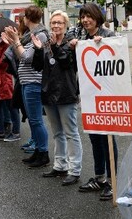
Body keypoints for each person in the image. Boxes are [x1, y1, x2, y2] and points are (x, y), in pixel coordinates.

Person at [71, 3, 117, 201]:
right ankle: (99, 177)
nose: (85, 20)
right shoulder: (81, 38)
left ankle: (112, 180)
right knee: (94, 136)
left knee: (108, 137)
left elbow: (117, 61)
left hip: (107, 94)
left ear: (97, 17)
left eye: (89, 16)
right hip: (88, 94)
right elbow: (77, 66)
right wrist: (73, 48)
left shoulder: (109, 35)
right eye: (83, 17)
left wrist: (105, 46)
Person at [33, 10, 83, 186]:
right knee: (57, 133)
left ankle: (74, 169)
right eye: (53, 23)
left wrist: (54, 47)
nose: (55, 26)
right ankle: (59, 165)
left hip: (66, 92)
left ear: (66, 25)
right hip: (49, 92)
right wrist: (39, 50)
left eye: (59, 23)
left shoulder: (71, 43)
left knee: (71, 132)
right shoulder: (46, 43)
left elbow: (67, 63)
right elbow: (37, 66)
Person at [2, 6, 50, 169]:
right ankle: (38, 150)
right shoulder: (31, 35)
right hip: (26, 81)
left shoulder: (40, 34)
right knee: (32, 119)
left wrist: (15, 41)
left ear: (27, 18)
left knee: (36, 120)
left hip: (33, 82)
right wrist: (14, 42)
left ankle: (43, 152)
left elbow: (26, 57)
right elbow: (20, 56)